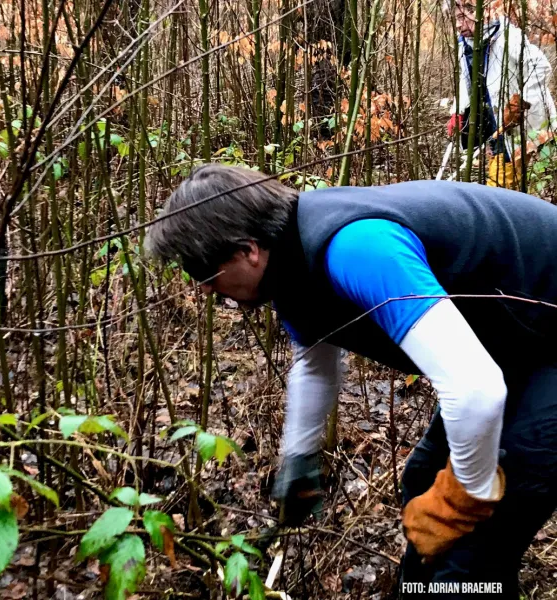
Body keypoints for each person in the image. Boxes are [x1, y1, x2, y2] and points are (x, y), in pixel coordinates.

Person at [146, 164, 557, 597]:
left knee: (470, 553)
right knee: (423, 482)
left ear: (247, 250)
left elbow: (475, 388)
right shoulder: (290, 263)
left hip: (543, 342)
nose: (205, 290)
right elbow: (314, 362)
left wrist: (466, 497)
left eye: (205, 274)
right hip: (515, 341)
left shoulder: (356, 249)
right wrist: (301, 458)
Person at [447, 1, 557, 188]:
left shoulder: (507, 37)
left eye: (462, 18)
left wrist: (520, 103)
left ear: (479, 13)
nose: (458, 25)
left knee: (501, 185)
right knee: (503, 176)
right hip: (493, 123)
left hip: (523, 125)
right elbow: (467, 81)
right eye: (455, 18)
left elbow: (541, 67)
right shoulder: (465, 45)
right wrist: (457, 111)